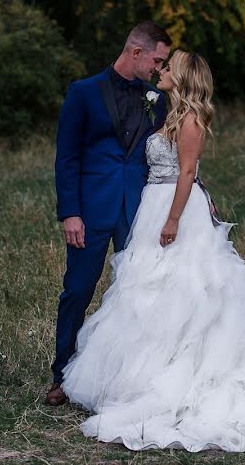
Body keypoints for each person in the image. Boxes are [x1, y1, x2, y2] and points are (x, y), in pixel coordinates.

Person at [59, 50, 245, 460]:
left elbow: (186, 171)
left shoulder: (190, 120)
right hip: (157, 205)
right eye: (160, 65)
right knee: (151, 295)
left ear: (183, 78)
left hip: (173, 212)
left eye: (168, 68)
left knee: (191, 292)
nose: (161, 72)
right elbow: (189, 170)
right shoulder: (167, 112)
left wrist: (174, 219)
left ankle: (189, 381)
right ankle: (142, 377)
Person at [46, 22, 172, 407]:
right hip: (91, 210)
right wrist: (70, 213)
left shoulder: (156, 96)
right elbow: (67, 157)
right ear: (136, 52)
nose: (158, 68)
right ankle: (62, 375)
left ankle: (128, 382)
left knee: (137, 295)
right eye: (156, 60)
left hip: (139, 210)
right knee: (78, 292)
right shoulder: (83, 92)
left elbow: (168, 155)